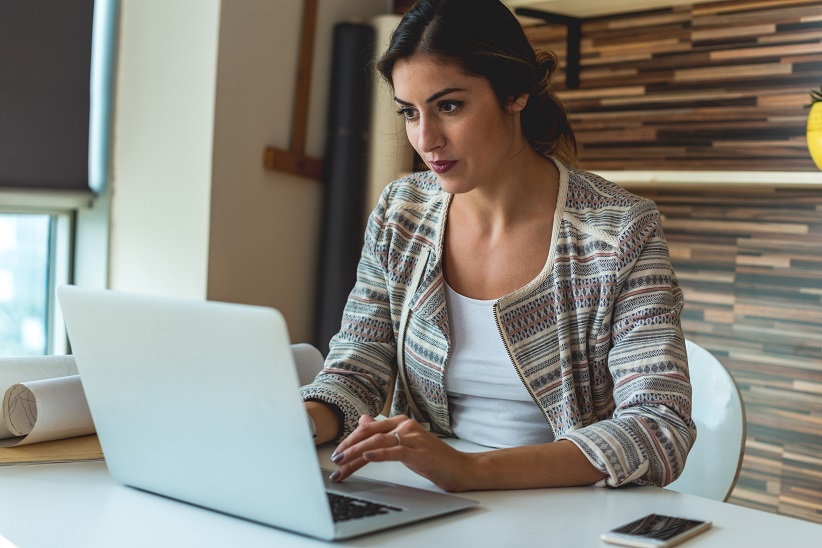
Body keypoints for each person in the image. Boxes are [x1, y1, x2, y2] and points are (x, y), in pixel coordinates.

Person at [301, 0, 695, 492]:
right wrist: (299, 420)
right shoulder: (401, 212)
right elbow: (358, 365)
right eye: (409, 112)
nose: (426, 139)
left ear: (516, 94)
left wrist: (470, 472)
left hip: (567, 508)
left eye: (450, 106)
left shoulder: (619, 232)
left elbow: (659, 425)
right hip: (431, 499)